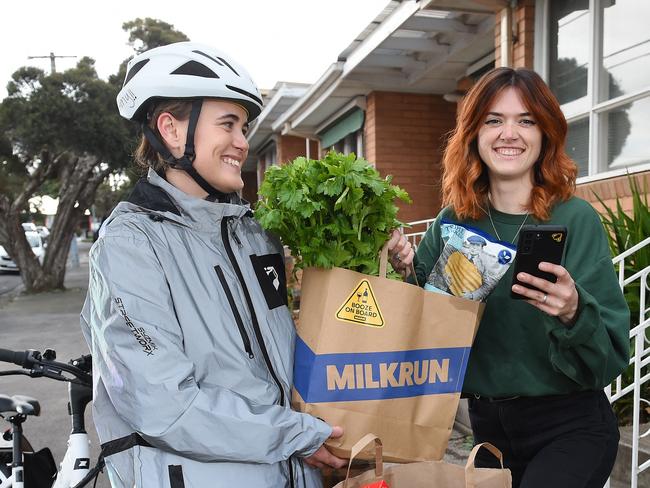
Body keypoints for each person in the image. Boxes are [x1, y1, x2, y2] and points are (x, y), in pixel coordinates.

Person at [80, 42, 347, 487]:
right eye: (228, 124)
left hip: (291, 472)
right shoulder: (131, 244)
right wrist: (298, 435)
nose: (243, 143)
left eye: (244, 127)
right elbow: (165, 405)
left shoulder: (251, 232)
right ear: (170, 129)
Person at [407, 67, 630, 487]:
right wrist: (401, 269)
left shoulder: (574, 219)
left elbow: (610, 359)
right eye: (494, 120)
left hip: (570, 425)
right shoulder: (452, 223)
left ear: (545, 134)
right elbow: (418, 328)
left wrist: (573, 311)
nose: (509, 133)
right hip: (488, 433)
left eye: (526, 121)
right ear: (473, 133)